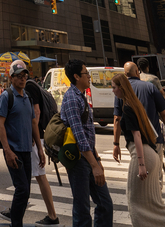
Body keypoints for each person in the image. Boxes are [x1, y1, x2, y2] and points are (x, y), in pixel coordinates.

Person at [111, 74, 165, 227]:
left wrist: (141, 164)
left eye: (114, 88)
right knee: (155, 203)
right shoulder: (135, 104)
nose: (113, 91)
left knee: (135, 203)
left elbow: (136, 135)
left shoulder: (128, 107)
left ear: (121, 88)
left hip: (143, 156)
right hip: (151, 154)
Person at [0, 64, 57, 227]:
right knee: (23, 189)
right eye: (18, 75)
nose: (23, 78)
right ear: (11, 78)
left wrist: (39, 148)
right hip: (14, 151)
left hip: (26, 149)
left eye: (24, 75)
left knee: (25, 190)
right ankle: (16, 223)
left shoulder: (28, 97)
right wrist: (7, 151)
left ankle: (16, 218)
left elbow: (33, 122)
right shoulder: (7, 96)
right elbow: (0, 124)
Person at [61, 58, 113, 227]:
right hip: (78, 161)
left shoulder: (82, 97)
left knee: (105, 204)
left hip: (89, 158)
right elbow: (78, 135)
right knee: (82, 210)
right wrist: (94, 164)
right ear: (76, 76)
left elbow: (88, 134)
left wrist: (97, 159)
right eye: (86, 73)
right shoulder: (71, 98)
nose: (89, 76)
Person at [113, 61, 165, 185]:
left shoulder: (121, 91)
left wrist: (116, 144)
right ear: (137, 72)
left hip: (134, 143)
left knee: (141, 179)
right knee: (157, 178)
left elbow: (117, 119)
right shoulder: (149, 86)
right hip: (154, 139)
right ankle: (156, 201)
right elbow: (164, 114)